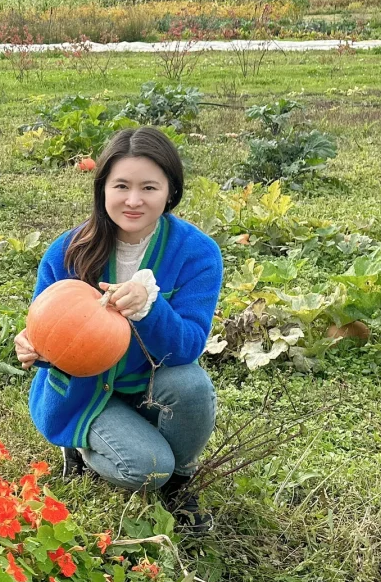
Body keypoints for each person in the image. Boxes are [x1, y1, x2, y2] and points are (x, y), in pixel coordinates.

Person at [15, 128, 224, 532]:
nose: (133, 200)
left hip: (151, 383)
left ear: (171, 192)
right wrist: (32, 347)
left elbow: (189, 346)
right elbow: (45, 327)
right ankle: (80, 447)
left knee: (192, 387)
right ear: (102, 189)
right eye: (121, 186)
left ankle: (180, 483)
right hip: (87, 392)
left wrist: (150, 307)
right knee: (147, 469)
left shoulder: (197, 253)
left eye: (149, 187)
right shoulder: (67, 250)